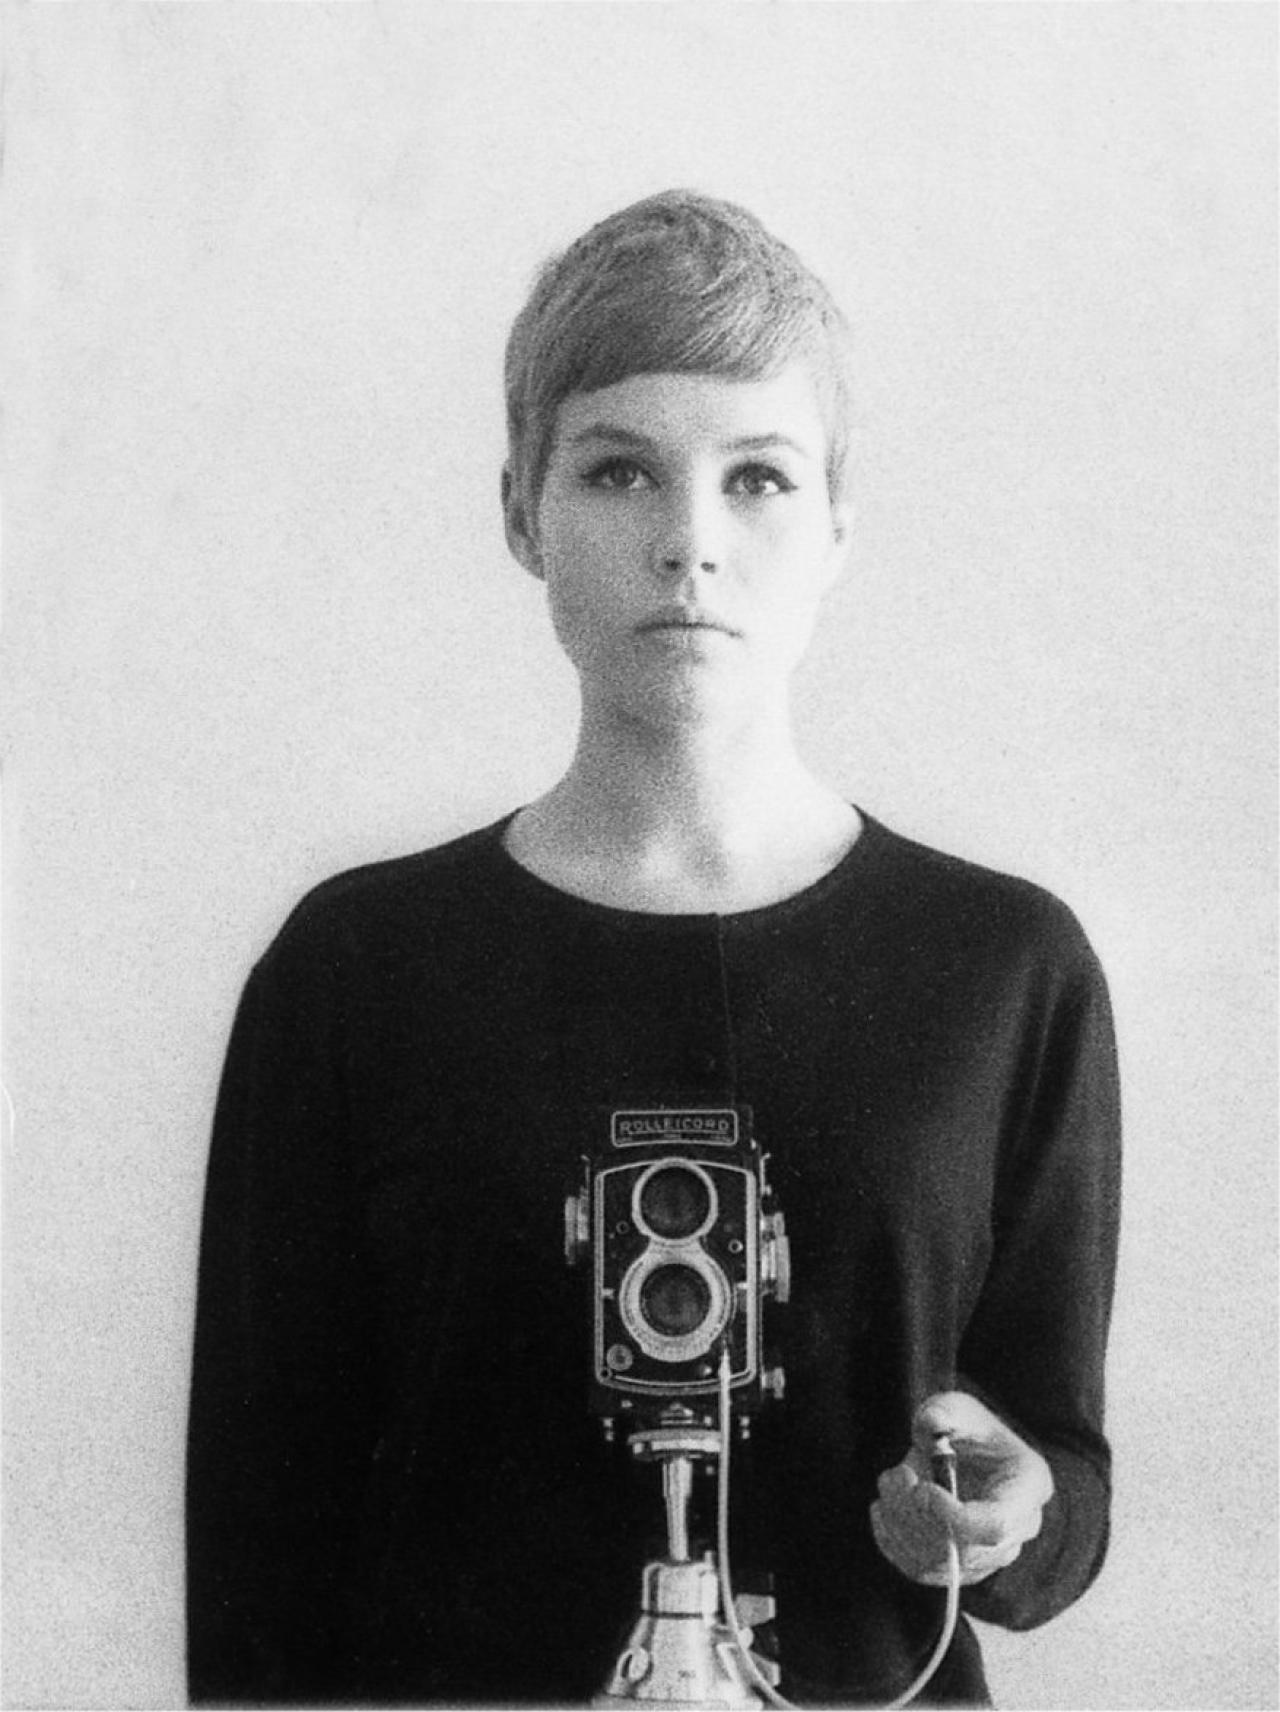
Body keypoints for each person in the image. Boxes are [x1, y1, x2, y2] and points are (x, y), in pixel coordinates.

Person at [186, 190, 1121, 1708]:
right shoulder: (356, 973)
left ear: (838, 525)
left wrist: (1014, 1518)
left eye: (758, 478)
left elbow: (1055, 1463)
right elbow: (261, 1539)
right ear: (520, 510)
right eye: (619, 470)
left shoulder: (1002, 969)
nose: (689, 544)